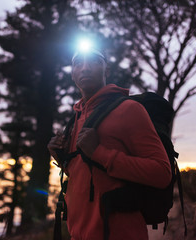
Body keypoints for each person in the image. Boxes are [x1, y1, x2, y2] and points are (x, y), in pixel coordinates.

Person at [48, 47, 172, 240]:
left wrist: (98, 152)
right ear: (72, 74)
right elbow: (90, 176)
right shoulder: (74, 120)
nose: (85, 68)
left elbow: (162, 172)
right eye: (78, 63)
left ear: (107, 70)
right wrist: (63, 159)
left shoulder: (129, 110)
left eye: (94, 62)